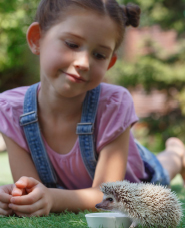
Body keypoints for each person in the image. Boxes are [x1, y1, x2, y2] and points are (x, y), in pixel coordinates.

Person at [0, 0, 184, 218]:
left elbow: (110, 197)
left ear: (110, 63)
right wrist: (19, 198)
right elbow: (31, 190)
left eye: (99, 55)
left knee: (163, 171)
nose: (84, 63)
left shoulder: (114, 103)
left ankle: (177, 152)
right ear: (36, 39)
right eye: (72, 44)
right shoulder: (10, 109)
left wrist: (51, 198)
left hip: (135, 182)